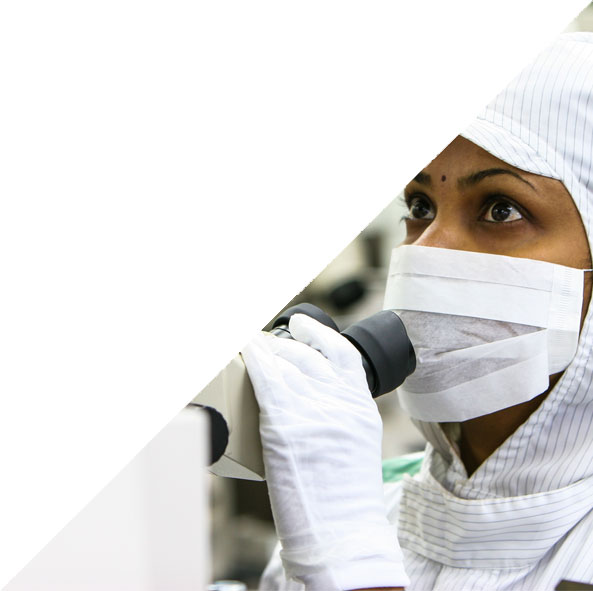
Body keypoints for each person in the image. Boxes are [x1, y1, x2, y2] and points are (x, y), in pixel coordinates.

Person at [241, 33, 593, 590]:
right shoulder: (364, 509)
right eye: (420, 207)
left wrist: (348, 566)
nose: (424, 249)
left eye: (501, 209)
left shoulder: (342, 530)